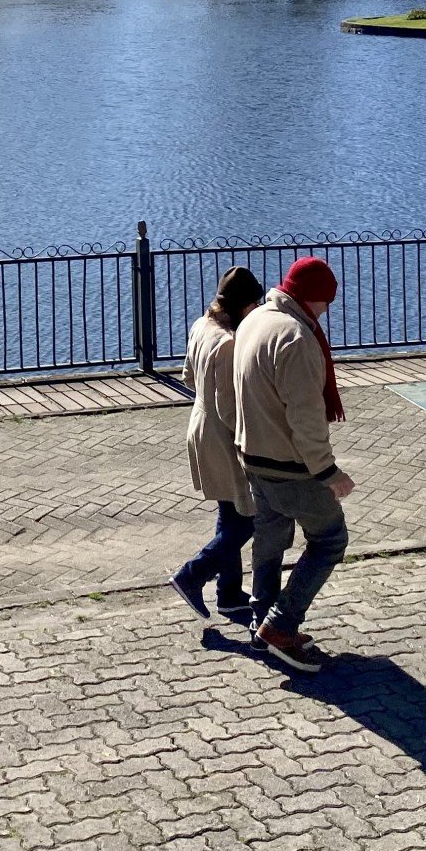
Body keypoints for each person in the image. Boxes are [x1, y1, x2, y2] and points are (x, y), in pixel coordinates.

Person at [234, 256, 354, 673]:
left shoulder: (254, 320)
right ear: (315, 298)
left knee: (269, 542)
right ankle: (280, 627)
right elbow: (305, 418)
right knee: (330, 539)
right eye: (327, 303)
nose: (326, 311)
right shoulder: (297, 338)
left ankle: (260, 620)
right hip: (291, 467)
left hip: (253, 457)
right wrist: (328, 472)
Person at [170, 266, 266, 628]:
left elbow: (187, 376)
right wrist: (250, 441)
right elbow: (230, 408)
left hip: (198, 424)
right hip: (222, 437)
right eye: (254, 305)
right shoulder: (228, 343)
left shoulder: (201, 325)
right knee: (248, 520)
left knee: (230, 512)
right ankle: (191, 575)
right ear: (243, 307)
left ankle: (229, 594)